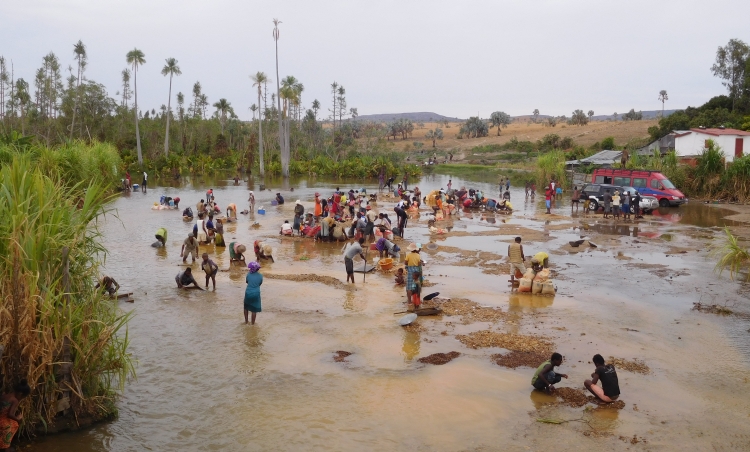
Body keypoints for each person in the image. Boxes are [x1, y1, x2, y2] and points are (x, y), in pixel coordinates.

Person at [0, 379, 31, 450]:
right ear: (20, 394)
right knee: (14, 424)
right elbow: (10, 414)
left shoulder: (4, 395)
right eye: (23, 397)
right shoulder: (15, 400)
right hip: (3, 422)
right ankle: (5, 446)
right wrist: (18, 419)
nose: (21, 399)